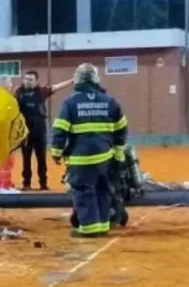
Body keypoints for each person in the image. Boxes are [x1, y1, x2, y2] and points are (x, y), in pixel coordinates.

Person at [50, 63, 128, 238]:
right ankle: (103, 226)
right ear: (96, 79)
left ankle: (89, 229)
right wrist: (118, 152)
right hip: (105, 158)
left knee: (85, 192)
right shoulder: (109, 100)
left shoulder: (71, 102)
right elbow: (121, 128)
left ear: (77, 79)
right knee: (103, 190)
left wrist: (56, 152)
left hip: (81, 159)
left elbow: (60, 129)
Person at [14, 70, 74, 191]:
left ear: (36, 81)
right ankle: (26, 183)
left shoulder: (41, 92)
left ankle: (43, 184)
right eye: (26, 79)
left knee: (41, 158)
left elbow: (57, 87)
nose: (27, 81)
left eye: (30, 79)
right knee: (26, 159)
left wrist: (71, 81)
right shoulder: (18, 92)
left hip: (39, 130)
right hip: (25, 131)